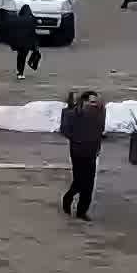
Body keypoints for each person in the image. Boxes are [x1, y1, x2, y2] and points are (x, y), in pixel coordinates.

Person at [59, 91, 106, 220]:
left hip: (91, 152)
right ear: (83, 102)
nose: (94, 105)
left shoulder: (100, 113)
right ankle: (68, 197)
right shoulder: (73, 114)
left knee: (89, 184)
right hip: (78, 152)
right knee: (79, 181)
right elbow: (65, 130)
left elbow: (100, 130)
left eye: (96, 102)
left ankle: (82, 211)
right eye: (91, 102)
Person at [7, 6, 41, 78]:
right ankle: (21, 73)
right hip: (27, 42)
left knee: (19, 56)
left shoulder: (18, 19)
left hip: (19, 41)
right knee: (23, 57)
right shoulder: (32, 19)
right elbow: (38, 22)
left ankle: (19, 71)